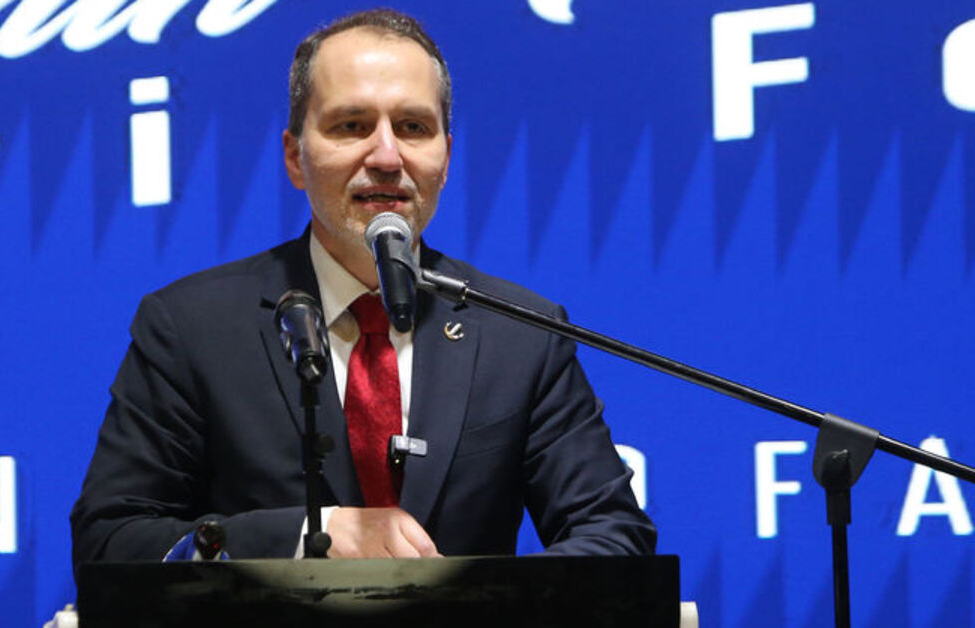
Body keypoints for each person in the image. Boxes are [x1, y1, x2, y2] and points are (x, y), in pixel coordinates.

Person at [70, 9, 654, 564]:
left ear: (446, 157)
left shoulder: (521, 334)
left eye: (413, 127)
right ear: (294, 157)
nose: (386, 156)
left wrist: (478, 602)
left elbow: (615, 535)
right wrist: (306, 537)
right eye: (352, 126)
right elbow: (111, 540)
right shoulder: (191, 327)